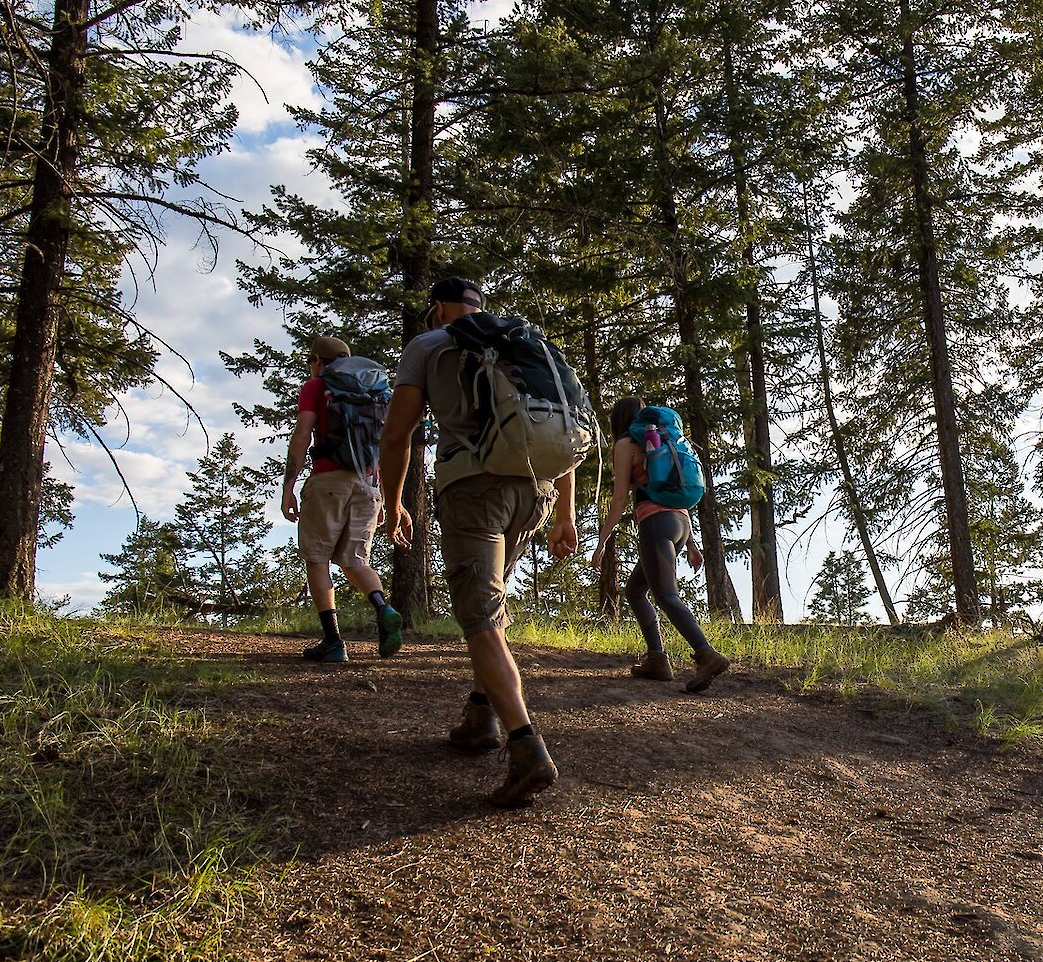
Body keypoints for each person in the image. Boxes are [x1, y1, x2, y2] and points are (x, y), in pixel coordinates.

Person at [379, 277, 578, 808]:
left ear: (439, 308)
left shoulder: (427, 345)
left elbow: (397, 435)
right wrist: (565, 510)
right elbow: (559, 422)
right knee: (490, 606)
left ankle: (525, 746)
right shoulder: (520, 342)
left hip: (473, 491)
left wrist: (393, 499)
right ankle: (479, 715)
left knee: (482, 620)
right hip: (531, 492)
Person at [591, 397, 729, 693]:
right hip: (679, 523)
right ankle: (657, 659)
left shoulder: (627, 444)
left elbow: (618, 500)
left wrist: (601, 543)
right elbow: (673, 489)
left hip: (656, 523)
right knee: (636, 590)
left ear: (617, 421)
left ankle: (706, 654)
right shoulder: (662, 440)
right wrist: (691, 542)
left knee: (666, 595)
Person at [281, 334, 402, 663]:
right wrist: (387, 497)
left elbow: (302, 434)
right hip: (369, 484)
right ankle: (383, 607)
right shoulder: (373, 392)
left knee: (317, 557)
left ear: (317, 361)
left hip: (328, 480)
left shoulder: (317, 386)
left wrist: (289, 484)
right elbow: (390, 444)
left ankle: (333, 642)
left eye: (311, 362)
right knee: (355, 561)